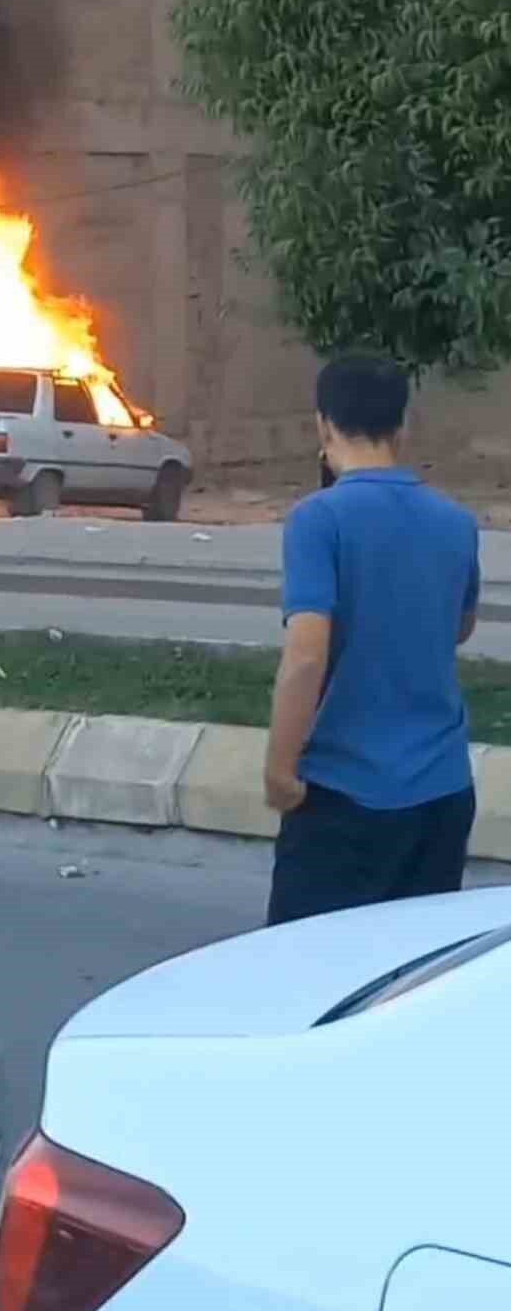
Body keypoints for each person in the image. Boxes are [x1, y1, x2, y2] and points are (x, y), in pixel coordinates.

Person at [264, 354, 481, 926]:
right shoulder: (456, 522)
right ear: (402, 426)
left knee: (306, 979)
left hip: (344, 796)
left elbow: (307, 654)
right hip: (442, 792)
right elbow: (460, 626)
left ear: (323, 424)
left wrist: (280, 771)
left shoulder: (318, 520)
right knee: (407, 980)